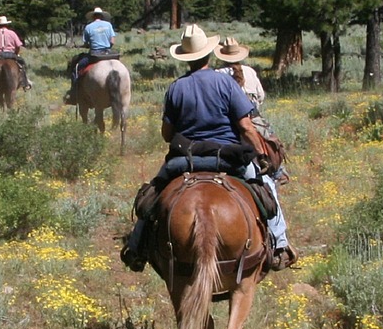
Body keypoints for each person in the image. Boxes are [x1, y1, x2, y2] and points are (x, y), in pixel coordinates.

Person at [121, 24, 295, 271]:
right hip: (228, 158)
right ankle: (279, 245)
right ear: (208, 54)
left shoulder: (176, 88)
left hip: (185, 159)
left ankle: (136, 248)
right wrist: (260, 155)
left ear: (185, 58)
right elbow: (245, 126)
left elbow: (166, 134)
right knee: (266, 187)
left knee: (153, 195)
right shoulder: (226, 84)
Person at [215, 37, 288, 184]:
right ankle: (278, 172)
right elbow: (261, 96)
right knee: (269, 140)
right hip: (253, 119)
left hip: (228, 123)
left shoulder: (217, 74)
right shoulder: (249, 71)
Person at [65, 7, 116, 105]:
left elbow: (86, 43)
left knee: (76, 68)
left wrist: (80, 46)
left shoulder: (89, 27)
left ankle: (74, 93)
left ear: (93, 16)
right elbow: (112, 41)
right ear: (102, 16)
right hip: (108, 54)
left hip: (95, 55)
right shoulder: (108, 25)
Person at [0, 14, 31, 93]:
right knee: (22, 64)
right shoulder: (12, 33)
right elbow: (18, 46)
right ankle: (25, 82)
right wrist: (16, 53)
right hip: (11, 54)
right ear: (6, 24)